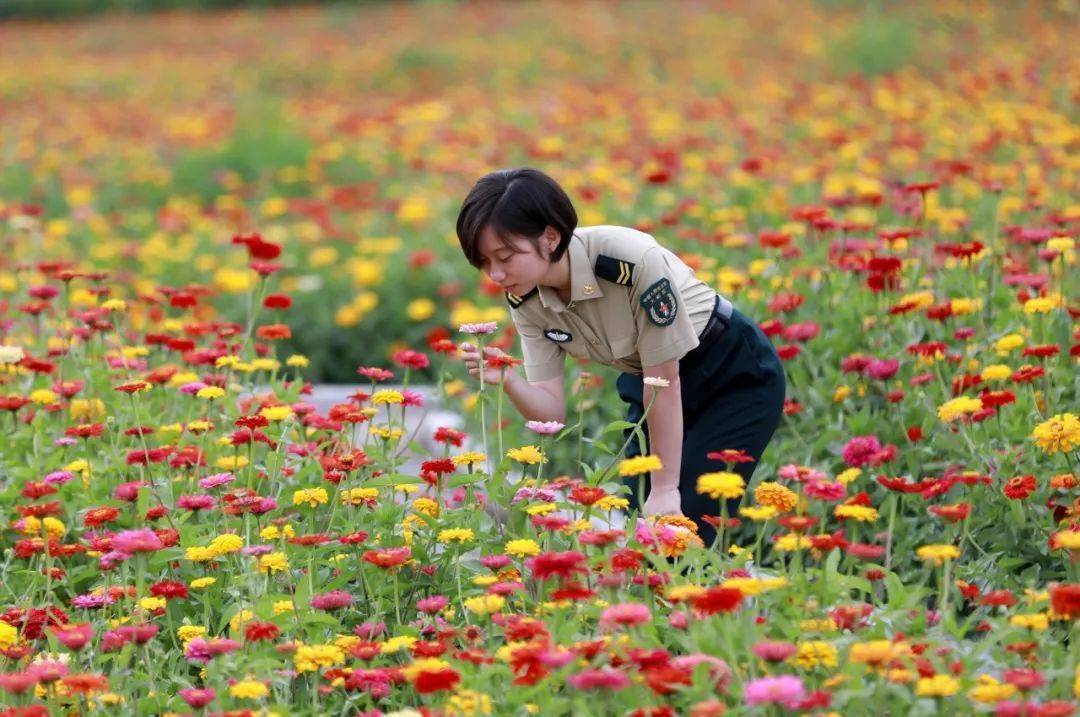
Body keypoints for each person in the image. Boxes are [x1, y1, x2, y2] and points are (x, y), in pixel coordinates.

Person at [454, 167, 785, 544]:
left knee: (682, 521)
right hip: (647, 381)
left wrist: (665, 490)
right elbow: (551, 412)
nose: (495, 274)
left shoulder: (628, 261)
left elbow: (666, 380)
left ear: (549, 237)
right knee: (637, 524)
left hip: (730, 373)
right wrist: (508, 380)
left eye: (505, 256)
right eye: (484, 261)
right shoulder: (525, 297)